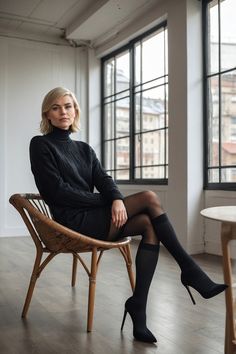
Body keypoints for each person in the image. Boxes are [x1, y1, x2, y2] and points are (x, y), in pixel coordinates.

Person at [30, 87, 227, 344]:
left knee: (148, 224)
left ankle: (138, 306)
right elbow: (57, 192)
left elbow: (104, 178)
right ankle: (189, 270)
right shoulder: (40, 144)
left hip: (93, 218)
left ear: (75, 110)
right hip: (72, 222)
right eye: (56, 107)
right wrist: (113, 201)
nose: (63, 112)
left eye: (68, 106)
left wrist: (114, 198)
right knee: (148, 198)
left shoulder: (84, 149)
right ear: (48, 113)